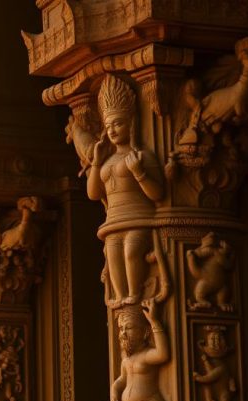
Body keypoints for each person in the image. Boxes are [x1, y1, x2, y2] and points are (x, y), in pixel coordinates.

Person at [87, 75, 165, 307]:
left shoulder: (141, 156)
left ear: (131, 123)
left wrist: (139, 172)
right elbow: (93, 193)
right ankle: (121, 299)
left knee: (131, 252)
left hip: (137, 216)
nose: (112, 130)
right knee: (113, 256)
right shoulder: (107, 161)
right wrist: (96, 163)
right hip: (114, 220)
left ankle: (134, 293)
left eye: (118, 123)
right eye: (108, 126)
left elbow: (157, 193)